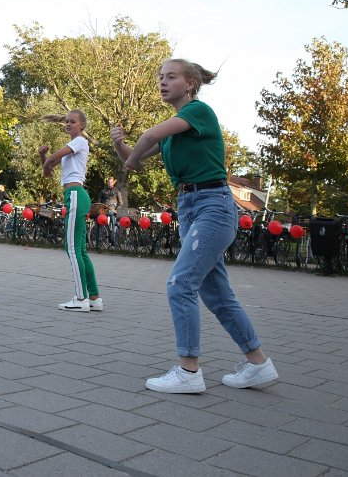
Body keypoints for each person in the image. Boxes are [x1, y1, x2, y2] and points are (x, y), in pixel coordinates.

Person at [112, 58, 278, 393]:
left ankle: (189, 372)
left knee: (180, 283)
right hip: (190, 206)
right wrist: (120, 145)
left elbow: (148, 136)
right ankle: (258, 364)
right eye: (160, 77)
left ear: (190, 84)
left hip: (212, 206)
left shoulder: (198, 112)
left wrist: (131, 158)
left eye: (170, 77)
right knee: (217, 294)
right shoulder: (177, 130)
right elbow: (139, 154)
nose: (162, 82)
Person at [39, 111, 102, 313]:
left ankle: (81, 298)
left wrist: (48, 158)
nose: (67, 124)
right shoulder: (72, 148)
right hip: (76, 195)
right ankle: (94, 298)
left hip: (75, 194)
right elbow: (48, 173)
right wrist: (43, 156)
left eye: (72, 121)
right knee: (81, 250)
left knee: (73, 249)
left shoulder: (80, 142)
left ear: (82, 125)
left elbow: (53, 159)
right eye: (66, 121)